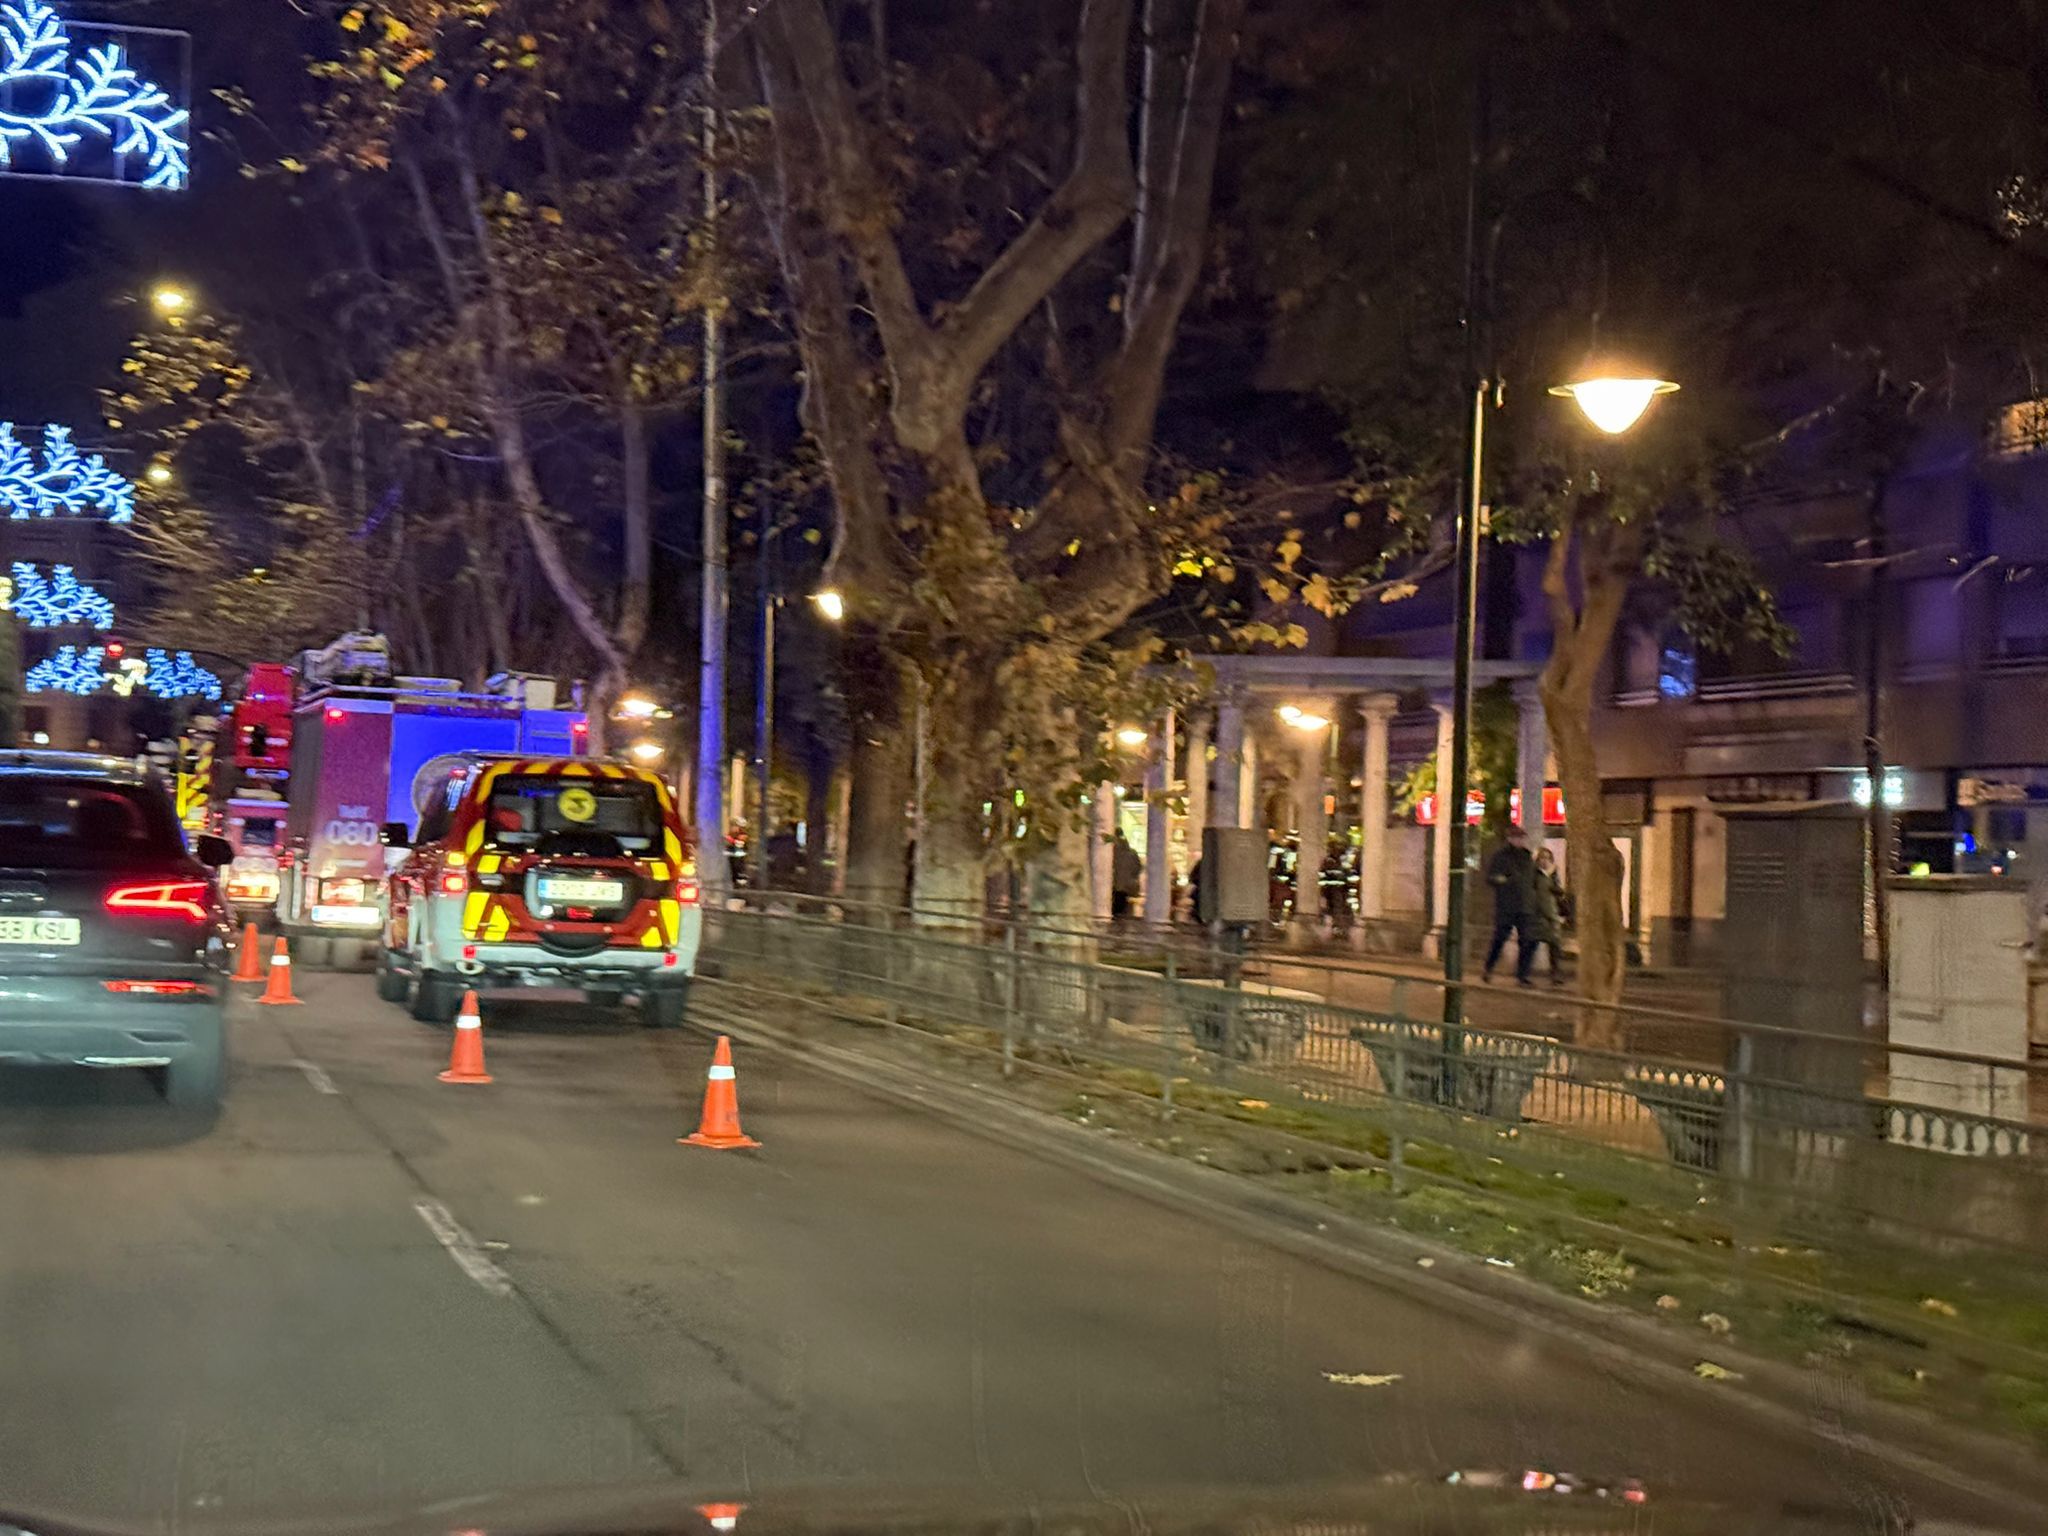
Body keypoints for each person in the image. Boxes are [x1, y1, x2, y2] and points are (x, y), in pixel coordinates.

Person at [1482, 824, 1538, 985]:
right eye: (1516, 838)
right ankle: (1488, 968)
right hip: (1506, 905)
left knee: (1527, 940)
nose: (1519, 841)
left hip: (1525, 905)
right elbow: (1491, 877)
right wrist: (1503, 881)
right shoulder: (1500, 856)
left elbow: (1531, 880)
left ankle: (1522, 975)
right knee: (1499, 938)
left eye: (1521, 838)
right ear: (1509, 839)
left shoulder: (1527, 856)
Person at [1528, 846, 1568, 986]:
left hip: (1552, 914)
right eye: (1542, 858)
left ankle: (1555, 974)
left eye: (1547, 858)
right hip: (1538, 914)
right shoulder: (1534, 874)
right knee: (1531, 944)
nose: (1544, 861)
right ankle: (1524, 974)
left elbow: (1559, 892)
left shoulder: (1553, 873)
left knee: (1554, 946)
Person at [1110, 829, 1142, 919]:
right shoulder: (1132, 853)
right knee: (1123, 909)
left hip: (1116, 885)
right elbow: (1138, 868)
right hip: (1127, 886)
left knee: (1115, 908)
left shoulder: (1113, 851)